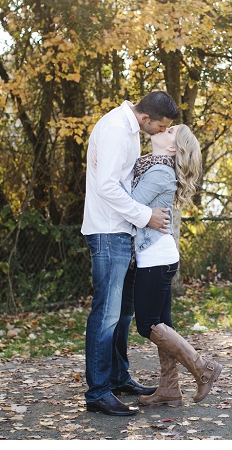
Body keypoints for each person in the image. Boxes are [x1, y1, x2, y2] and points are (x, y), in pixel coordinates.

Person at [81, 91, 180, 416]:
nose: (161, 131)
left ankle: (118, 377)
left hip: (122, 231)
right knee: (106, 314)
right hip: (108, 231)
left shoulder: (129, 131)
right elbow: (107, 186)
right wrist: (145, 215)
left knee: (122, 314)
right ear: (146, 118)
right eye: (162, 126)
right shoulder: (114, 129)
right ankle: (98, 392)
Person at [130, 124, 223, 408]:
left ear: (173, 148)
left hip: (155, 258)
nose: (163, 128)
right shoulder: (156, 167)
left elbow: (128, 206)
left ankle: (202, 367)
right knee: (163, 325)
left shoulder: (159, 172)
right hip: (161, 255)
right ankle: (169, 389)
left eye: (170, 131)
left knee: (147, 326)